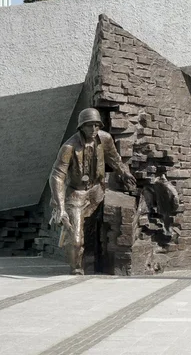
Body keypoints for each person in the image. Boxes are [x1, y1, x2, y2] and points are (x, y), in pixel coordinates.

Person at [49, 108, 136, 275]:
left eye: (97, 125)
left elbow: (114, 158)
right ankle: (76, 268)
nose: (94, 129)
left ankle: (101, 262)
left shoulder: (105, 138)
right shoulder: (69, 147)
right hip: (77, 193)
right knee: (76, 240)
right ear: (81, 127)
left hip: (97, 190)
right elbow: (57, 176)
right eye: (89, 125)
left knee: (102, 228)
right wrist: (60, 207)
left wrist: (123, 172)